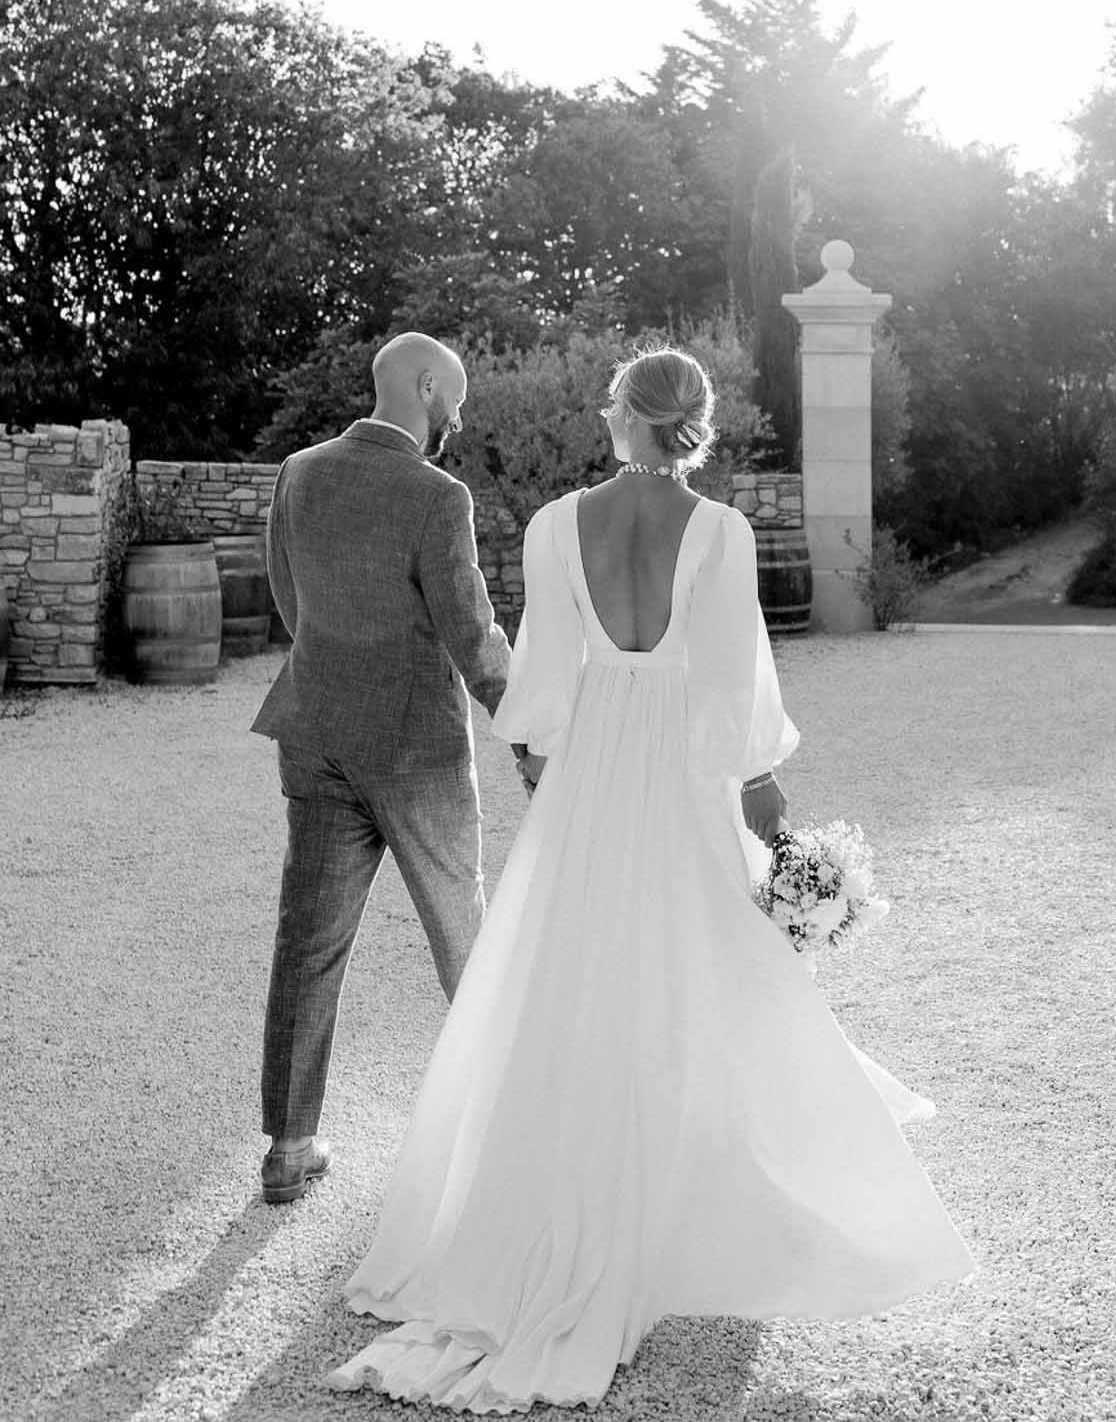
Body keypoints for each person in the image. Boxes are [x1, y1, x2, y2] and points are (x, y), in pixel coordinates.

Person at [329, 346, 974, 1410]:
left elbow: (537, 682)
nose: (600, 406)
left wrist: (545, 767)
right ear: (695, 426)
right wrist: (772, 817)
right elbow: (734, 684)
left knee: (573, 978)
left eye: (608, 398)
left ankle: (554, 1200)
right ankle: (699, 1191)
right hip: (681, 771)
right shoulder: (718, 534)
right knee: (709, 969)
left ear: (630, 417)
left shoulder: (550, 525)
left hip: (593, 776)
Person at [253, 332, 516, 1206]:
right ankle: (505, 1131)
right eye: (458, 398)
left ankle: (290, 1147)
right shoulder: (437, 495)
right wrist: (524, 725)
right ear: (427, 385)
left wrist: (338, 661)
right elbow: (470, 633)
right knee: (463, 935)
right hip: (414, 751)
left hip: (318, 730)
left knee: (308, 942)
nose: (459, 416)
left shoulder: (299, 470)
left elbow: (290, 601)